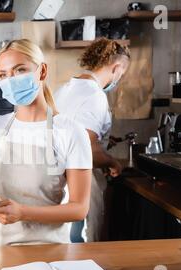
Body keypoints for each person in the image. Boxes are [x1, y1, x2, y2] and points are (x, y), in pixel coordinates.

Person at [0, 39, 93, 246]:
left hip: (50, 248)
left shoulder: (71, 132)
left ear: (42, 71)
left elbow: (79, 208)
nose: (10, 80)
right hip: (0, 247)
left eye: (20, 70)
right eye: (3, 75)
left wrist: (24, 213)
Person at [54, 38, 131, 243]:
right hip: (83, 181)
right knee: (86, 245)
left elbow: (72, 135)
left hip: (60, 182)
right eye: (121, 74)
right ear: (116, 67)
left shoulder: (64, 89)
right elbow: (86, 147)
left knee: (66, 245)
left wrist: (104, 140)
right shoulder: (95, 96)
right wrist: (111, 162)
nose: (119, 79)